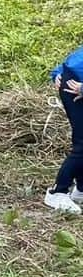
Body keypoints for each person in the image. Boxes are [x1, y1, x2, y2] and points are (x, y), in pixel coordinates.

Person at [45, 44, 83, 214]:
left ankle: (81, 190)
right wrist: (58, 73)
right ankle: (57, 191)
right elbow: (77, 60)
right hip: (75, 86)